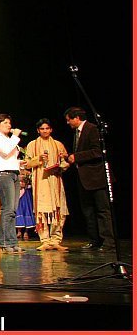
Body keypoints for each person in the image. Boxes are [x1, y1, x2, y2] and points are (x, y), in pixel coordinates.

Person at [64, 106, 115, 250]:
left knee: (102, 210)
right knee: (88, 211)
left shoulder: (92, 129)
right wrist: (69, 157)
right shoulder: (77, 133)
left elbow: (98, 152)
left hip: (97, 177)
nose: (67, 123)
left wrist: (76, 157)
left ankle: (108, 242)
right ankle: (94, 240)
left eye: (68, 120)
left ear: (76, 118)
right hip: (84, 178)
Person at [24, 118, 70, 251]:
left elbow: (64, 163)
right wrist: (38, 159)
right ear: (38, 130)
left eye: (47, 128)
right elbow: (26, 164)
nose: (45, 131)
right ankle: (44, 240)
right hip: (40, 180)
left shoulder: (58, 144)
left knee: (59, 209)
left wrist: (62, 165)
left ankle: (56, 240)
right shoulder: (32, 145)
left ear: (51, 130)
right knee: (42, 210)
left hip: (55, 180)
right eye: (42, 129)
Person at [0, 113, 25, 254]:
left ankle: (12, 243)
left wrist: (20, 163)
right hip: (2, 174)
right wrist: (15, 136)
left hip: (14, 173)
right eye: (5, 123)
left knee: (13, 210)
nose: (9, 125)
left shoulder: (8, 139)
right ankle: (4, 243)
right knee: (7, 209)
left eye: (9, 123)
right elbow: (4, 151)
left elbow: (10, 157)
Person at [15, 168, 36, 240]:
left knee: (26, 209)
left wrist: (26, 184)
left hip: (26, 193)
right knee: (19, 210)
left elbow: (32, 182)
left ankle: (26, 232)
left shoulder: (28, 173)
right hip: (18, 193)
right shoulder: (16, 171)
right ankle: (19, 231)